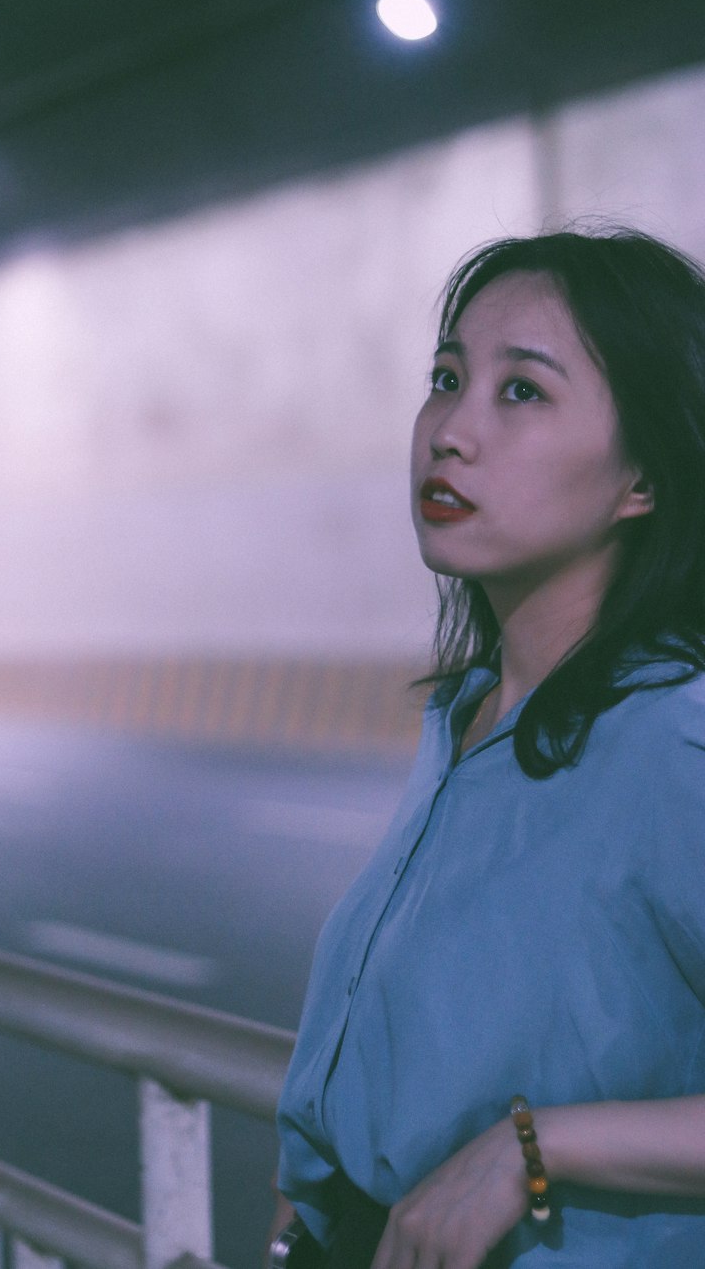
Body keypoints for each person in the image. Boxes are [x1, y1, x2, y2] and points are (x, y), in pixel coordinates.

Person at [271, 228, 705, 1268]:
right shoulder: (470, 719)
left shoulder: (671, 737)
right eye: (446, 377)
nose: (449, 432)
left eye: (522, 392)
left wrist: (530, 1151)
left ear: (639, 478)